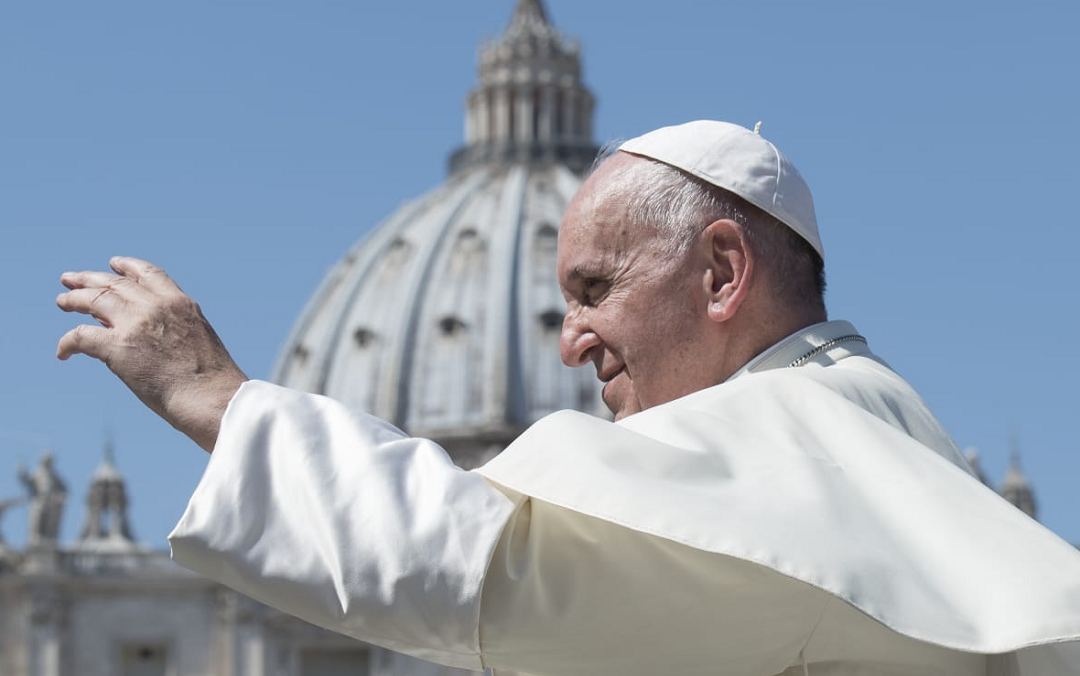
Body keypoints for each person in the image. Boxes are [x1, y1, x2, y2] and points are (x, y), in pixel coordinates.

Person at [56, 120, 1080, 675]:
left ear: (721, 274)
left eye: (595, 288)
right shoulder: (883, 429)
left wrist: (216, 397)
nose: (569, 340)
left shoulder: (788, 449)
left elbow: (475, 566)